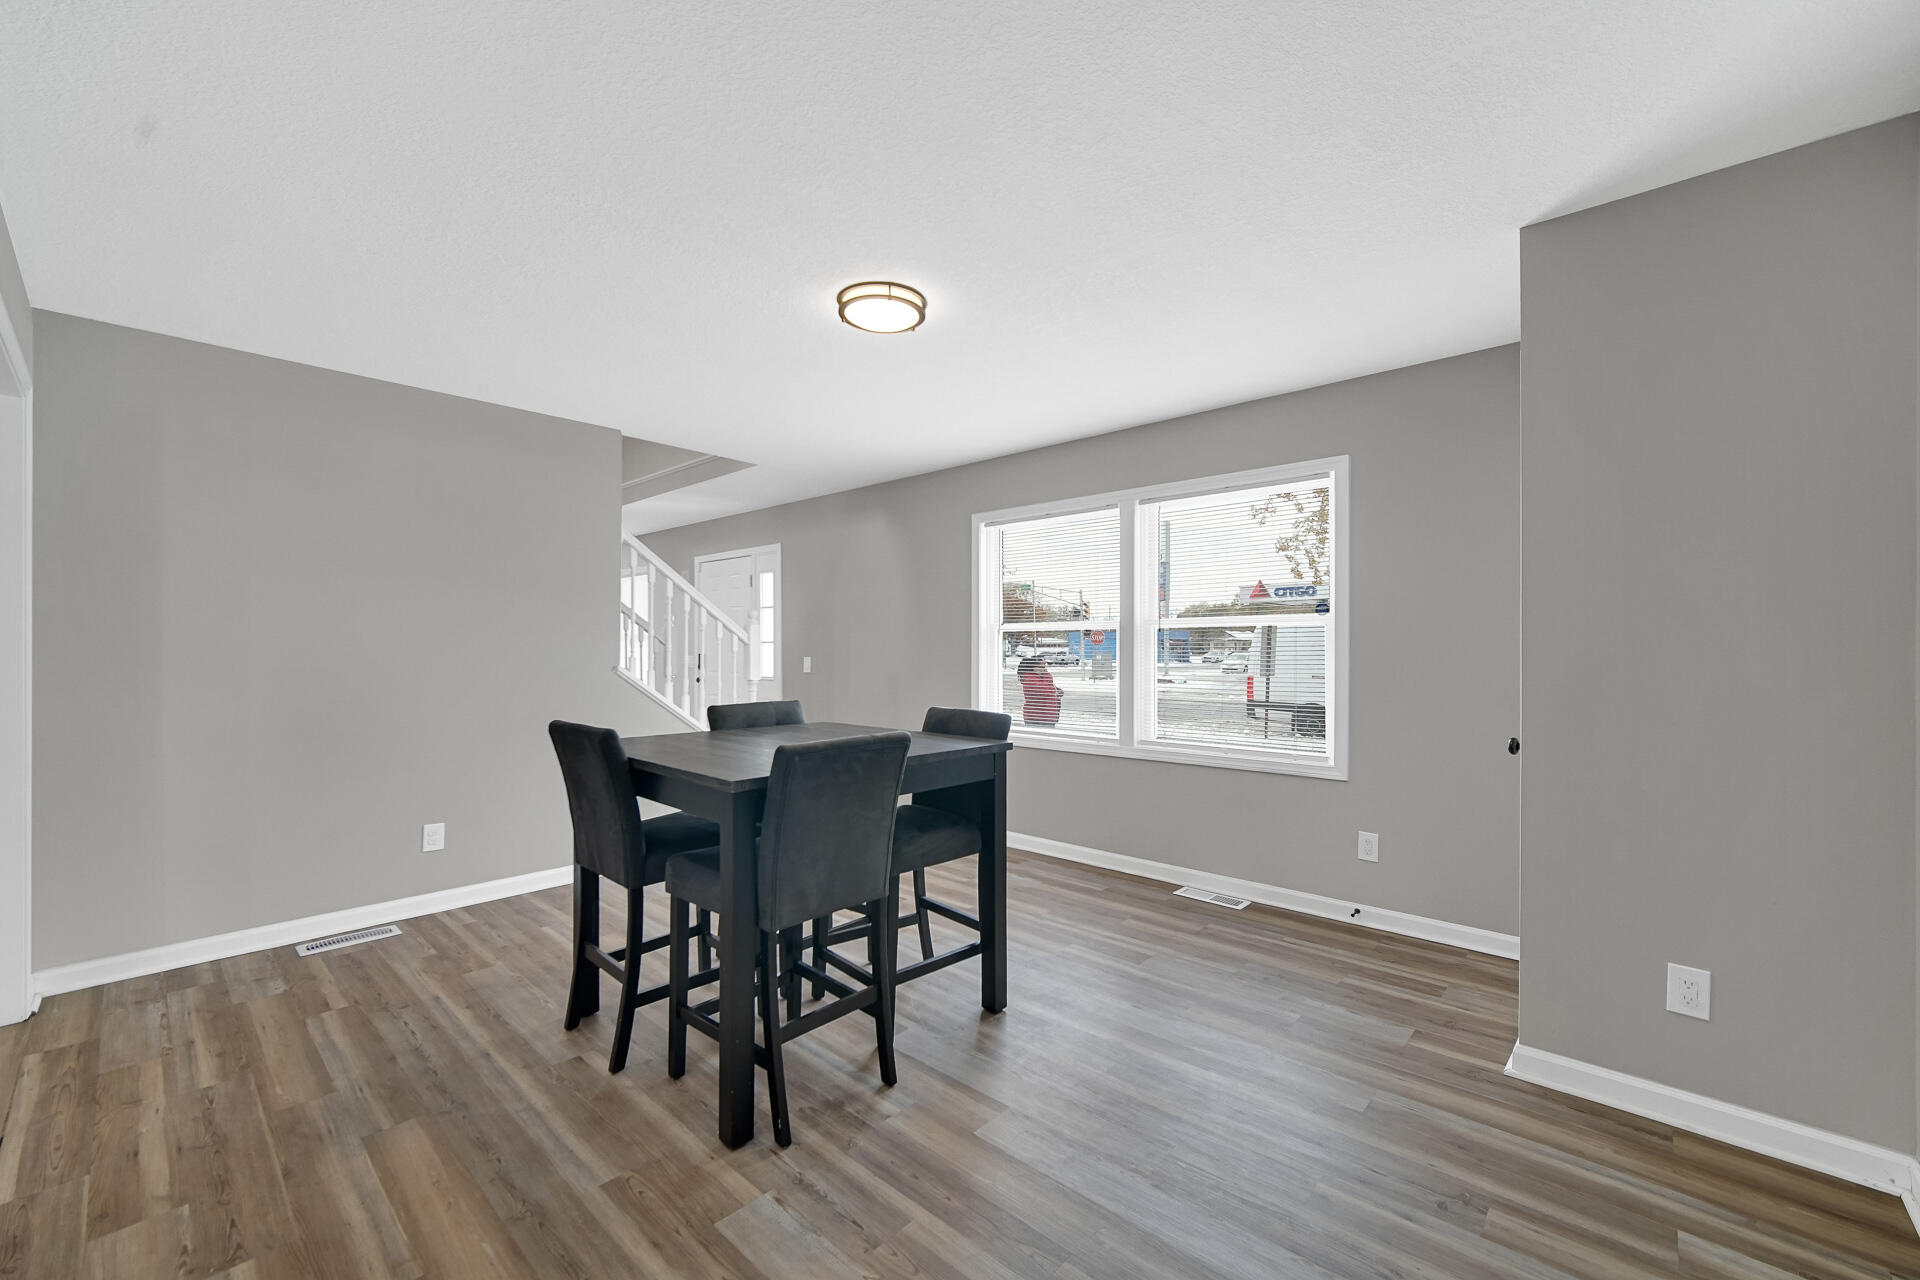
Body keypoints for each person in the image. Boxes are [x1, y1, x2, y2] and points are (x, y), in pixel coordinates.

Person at [1016, 653, 1061, 727]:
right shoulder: (1029, 679)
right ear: (1032, 668)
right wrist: (1048, 676)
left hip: (1047, 716)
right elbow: (1045, 691)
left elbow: (1049, 689)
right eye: (1040, 667)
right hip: (1038, 717)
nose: (1044, 669)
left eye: (1044, 667)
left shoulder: (1041, 678)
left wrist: (1057, 691)